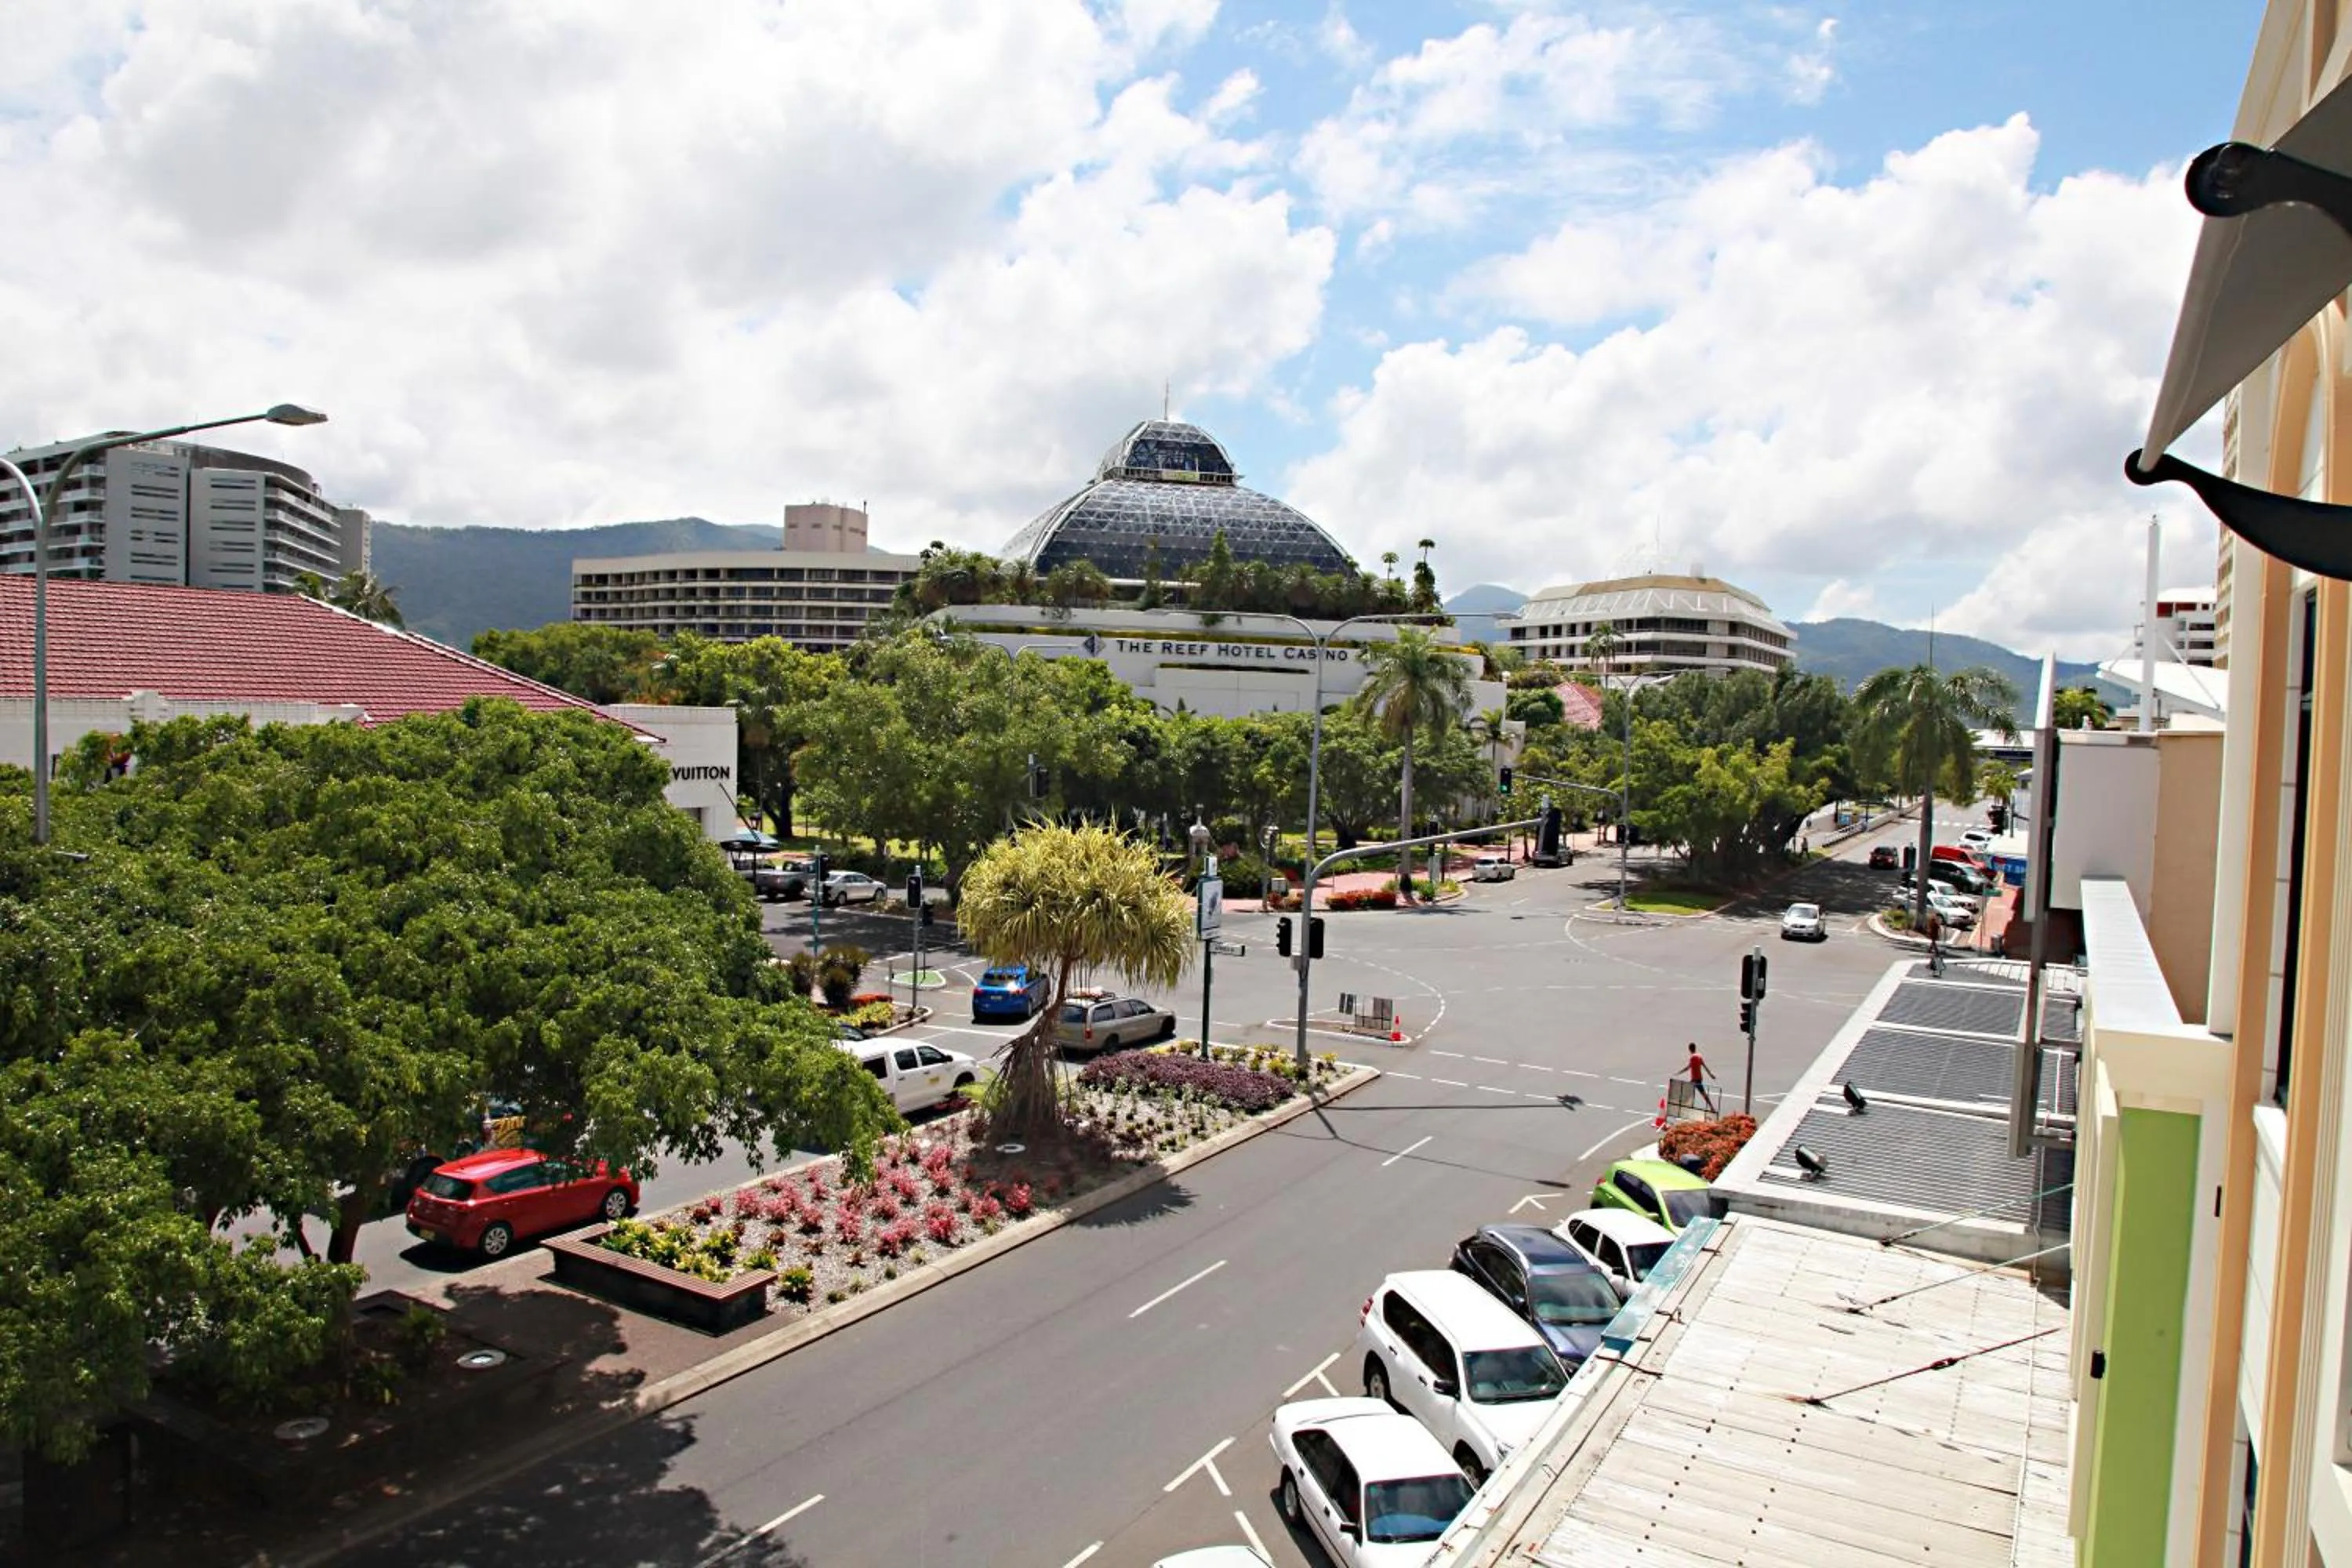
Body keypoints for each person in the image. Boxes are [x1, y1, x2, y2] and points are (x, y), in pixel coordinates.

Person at [1684, 1041, 1719, 1116]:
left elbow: (1688, 1067)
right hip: (1698, 1079)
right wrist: (1711, 1075)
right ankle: (1711, 1107)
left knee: (1701, 1094)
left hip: (1695, 1080)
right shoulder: (1699, 1056)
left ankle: (1712, 1108)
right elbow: (1705, 1066)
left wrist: (1679, 1072)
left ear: (1689, 1049)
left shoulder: (1692, 1058)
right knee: (1692, 1092)